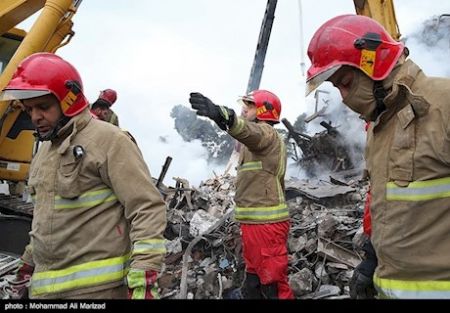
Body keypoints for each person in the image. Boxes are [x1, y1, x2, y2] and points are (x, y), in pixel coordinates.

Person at [0, 52, 167, 299]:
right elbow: (46, 221)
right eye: (29, 109)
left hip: (97, 292)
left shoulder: (110, 141)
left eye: (43, 107)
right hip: (45, 293)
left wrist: (143, 278)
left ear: (68, 101)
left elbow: (146, 208)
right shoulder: (45, 150)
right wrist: (27, 267)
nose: (35, 116)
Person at [306, 14, 450, 299]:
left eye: (345, 82)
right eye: (337, 88)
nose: (344, 97)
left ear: (374, 63)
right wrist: (372, 256)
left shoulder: (442, 104)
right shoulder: (379, 125)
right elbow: (384, 200)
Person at [189, 90, 294, 299]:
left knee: (273, 282)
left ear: (264, 111)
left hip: (267, 224)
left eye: (250, 105)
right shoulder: (253, 142)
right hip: (254, 223)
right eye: (244, 104)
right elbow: (244, 134)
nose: (244, 109)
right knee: (254, 271)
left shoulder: (267, 134)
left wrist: (222, 115)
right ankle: (249, 293)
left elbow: (248, 132)